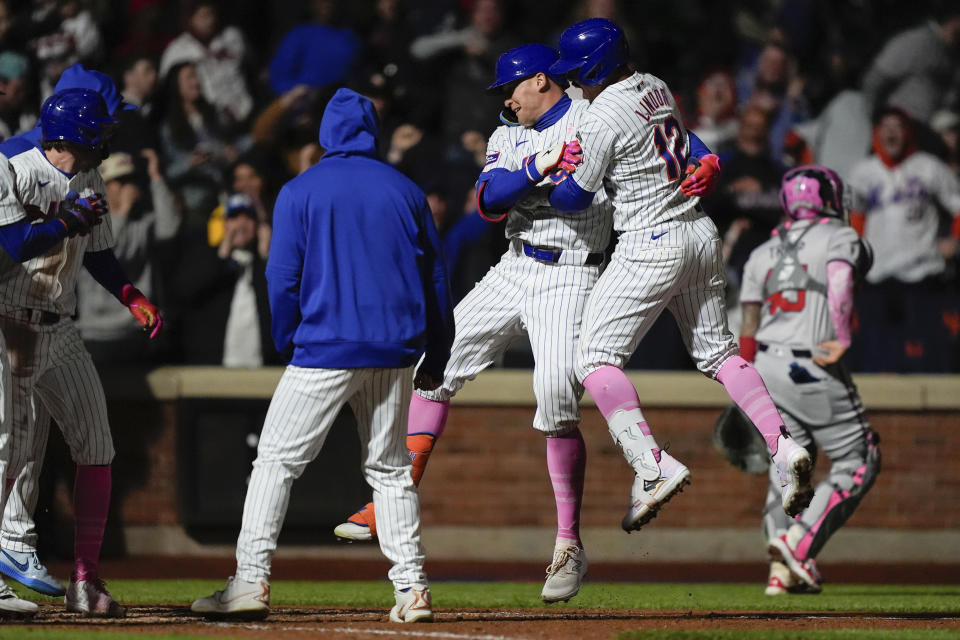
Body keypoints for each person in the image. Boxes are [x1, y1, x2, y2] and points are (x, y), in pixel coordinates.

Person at [334, 44, 609, 604]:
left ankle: (568, 545)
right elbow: (488, 202)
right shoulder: (508, 131)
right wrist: (540, 166)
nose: (505, 99)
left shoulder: (594, 116)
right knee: (432, 365)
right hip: (515, 263)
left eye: (512, 88)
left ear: (541, 80)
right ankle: (394, 500)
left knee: (556, 398)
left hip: (574, 271)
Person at [190, 88, 453, 622]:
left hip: (326, 346)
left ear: (325, 134)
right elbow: (436, 275)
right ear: (371, 132)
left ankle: (250, 581)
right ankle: (412, 589)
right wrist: (439, 348)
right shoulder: (404, 189)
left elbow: (280, 276)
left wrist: (285, 336)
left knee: (275, 463)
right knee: (391, 469)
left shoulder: (299, 190)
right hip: (395, 347)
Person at [546, 18, 814, 530]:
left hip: (650, 241)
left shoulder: (600, 115)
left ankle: (652, 466)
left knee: (594, 359)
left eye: (578, 69)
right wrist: (706, 155)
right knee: (719, 355)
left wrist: (560, 171)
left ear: (597, 65)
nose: (573, 78)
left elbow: (573, 198)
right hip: (698, 233)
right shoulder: (653, 83)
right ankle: (782, 446)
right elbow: (681, 137)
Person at [0, 88, 162, 617]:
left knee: (97, 445)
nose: (107, 140)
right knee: (9, 452)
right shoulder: (12, 164)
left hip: (61, 327)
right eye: (101, 130)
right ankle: (10, 554)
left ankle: (86, 581)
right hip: (9, 323)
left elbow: (100, 254)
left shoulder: (88, 178)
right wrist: (67, 220)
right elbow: (9, 245)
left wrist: (131, 295)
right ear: (77, 132)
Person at [737, 166, 880, 595]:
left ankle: (780, 574)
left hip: (763, 367)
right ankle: (797, 545)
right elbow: (838, 278)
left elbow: (747, 324)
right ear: (831, 199)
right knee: (859, 458)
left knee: (787, 468)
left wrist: (744, 390)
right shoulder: (839, 235)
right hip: (810, 364)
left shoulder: (762, 251)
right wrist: (842, 334)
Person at [847, 107, 960, 372]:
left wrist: (954, 241)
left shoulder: (928, 166)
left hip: (922, 273)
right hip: (877, 275)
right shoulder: (863, 171)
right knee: (875, 355)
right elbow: (854, 218)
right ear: (877, 133)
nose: (891, 132)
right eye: (885, 126)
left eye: (897, 126)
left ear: (907, 133)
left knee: (930, 356)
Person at [173, 193, 278, 367]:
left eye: (248, 218)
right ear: (224, 223)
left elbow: (279, 306)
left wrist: (266, 258)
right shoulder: (204, 256)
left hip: (261, 368)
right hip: (214, 368)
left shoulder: (266, 265)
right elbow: (185, 292)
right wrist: (222, 255)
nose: (241, 224)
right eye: (234, 217)